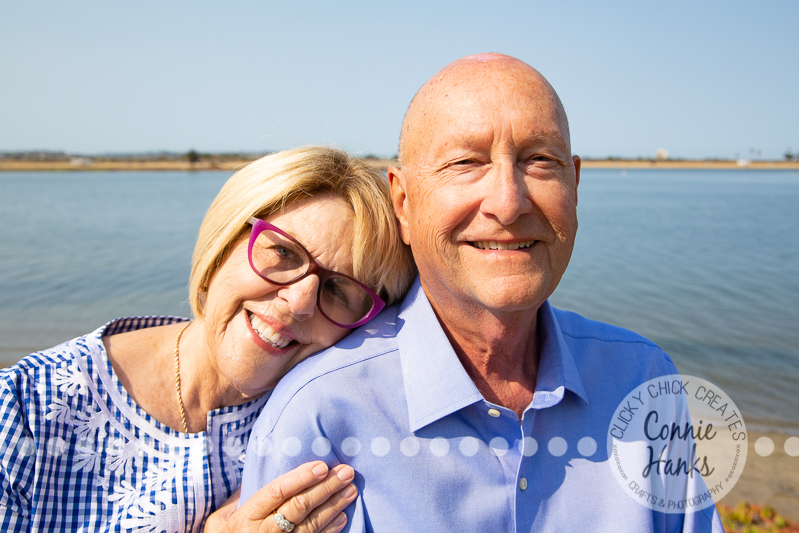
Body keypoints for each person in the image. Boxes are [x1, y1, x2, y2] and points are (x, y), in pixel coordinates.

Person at [239, 55, 724, 531]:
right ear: (403, 203)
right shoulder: (321, 413)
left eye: (539, 160)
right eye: (466, 163)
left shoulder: (641, 378)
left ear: (574, 184)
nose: (509, 204)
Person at [0, 146, 415, 532]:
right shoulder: (24, 411)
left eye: (341, 291)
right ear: (222, 245)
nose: (299, 302)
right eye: (284, 253)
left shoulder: (338, 427)